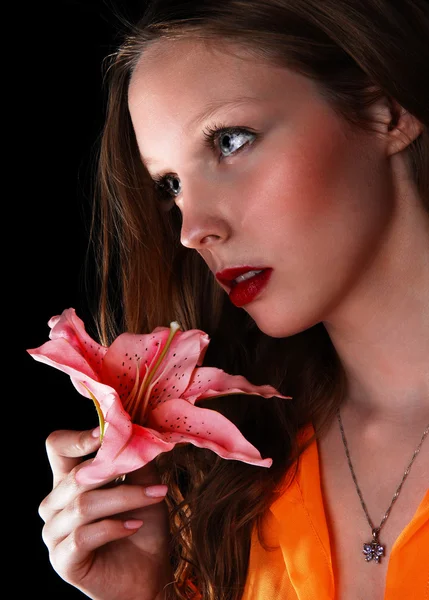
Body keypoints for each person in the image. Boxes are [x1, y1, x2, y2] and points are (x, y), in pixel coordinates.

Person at [37, 0, 429, 598]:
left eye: (230, 140)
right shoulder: (227, 487)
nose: (193, 229)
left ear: (387, 111)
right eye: (170, 185)